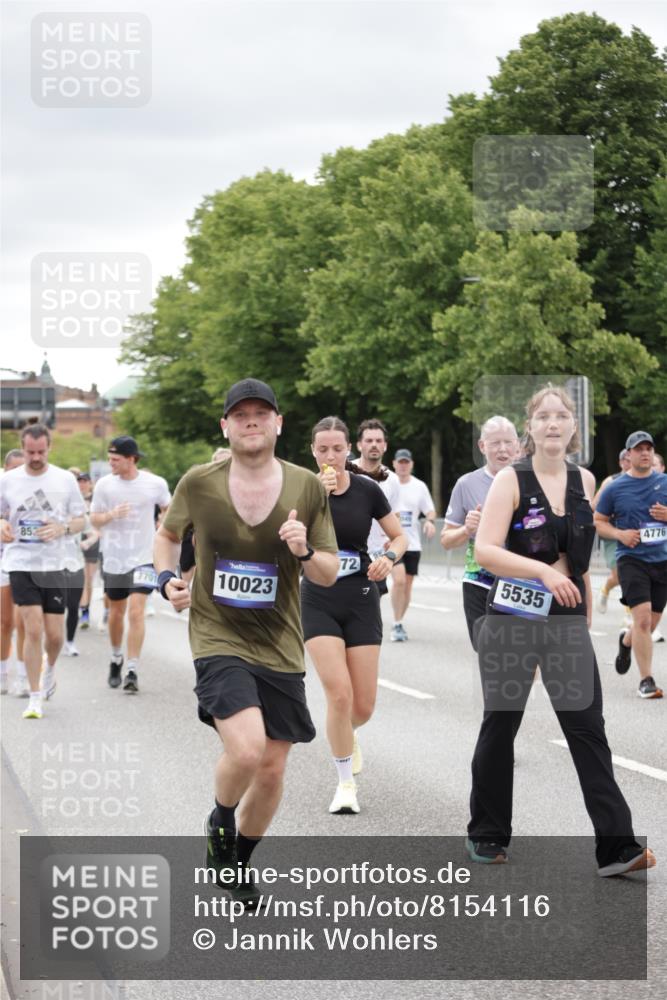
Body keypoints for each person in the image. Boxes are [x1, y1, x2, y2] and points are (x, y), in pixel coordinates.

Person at [153, 378, 339, 907]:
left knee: (274, 766)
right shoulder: (199, 482)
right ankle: (220, 815)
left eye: (262, 412)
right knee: (248, 748)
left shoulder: (307, 487)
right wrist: (164, 577)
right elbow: (168, 536)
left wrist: (304, 550)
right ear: (226, 426)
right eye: (241, 414)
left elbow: (326, 573)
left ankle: (238, 861)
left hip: (280, 641)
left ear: (279, 424)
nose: (251, 420)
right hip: (217, 634)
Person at [466, 386, 655, 877]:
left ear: (575, 428)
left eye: (562, 416)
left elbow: (581, 555)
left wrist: (584, 605)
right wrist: (543, 573)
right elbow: (486, 550)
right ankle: (487, 833)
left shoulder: (585, 480)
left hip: (565, 618)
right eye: (544, 416)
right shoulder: (509, 479)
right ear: (531, 427)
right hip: (512, 614)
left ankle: (617, 849)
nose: (553, 423)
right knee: (502, 721)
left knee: (587, 728)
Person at [303, 417, 406, 814]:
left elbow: (399, 536)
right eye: (323, 449)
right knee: (339, 694)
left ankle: (346, 733)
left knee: (362, 706)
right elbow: (286, 540)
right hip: (318, 597)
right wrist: (317, 499)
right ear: (313, 452)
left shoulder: (368, 489)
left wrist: (388, 558)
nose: (331, 456)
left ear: (349, 450)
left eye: (337, 449)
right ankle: (345, 785)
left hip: (361, 596)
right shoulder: (304, 490)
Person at [0, 424, 85, 719]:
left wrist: (62, 528)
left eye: (41, 452)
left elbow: (80, 520)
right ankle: (34, 697)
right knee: (32, 627)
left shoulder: (64, 479)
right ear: (21, 448)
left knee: (54, 635)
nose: (35, 457)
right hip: (21, 561)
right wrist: (2, 525)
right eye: (29, 452)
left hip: (54, 563)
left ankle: (50, 667)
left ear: (49, 448)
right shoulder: (9, 480)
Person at [90, 436, 171, 693]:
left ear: (131, 459)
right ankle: (116, 657)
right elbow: (94, 520)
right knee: (116, 612)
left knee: (136, 610)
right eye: (110, 458)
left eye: (115, 459)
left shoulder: (155, 483)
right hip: (115, 557)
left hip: (144, 557)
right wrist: (111, 515)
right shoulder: (104, 485)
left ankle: (133, 669)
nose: (111, 463)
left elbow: (168, 508)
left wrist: (163, 529)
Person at [594, 431, 667, 699]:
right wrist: (620, 535)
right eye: (639, 449)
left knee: (650, 623)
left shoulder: (665, 482)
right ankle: (646, 680)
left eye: (649, 448)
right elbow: (598, 520)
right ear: (629, 455)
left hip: (662, 559)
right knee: (644, 619)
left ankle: (626, 641)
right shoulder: (615, 487)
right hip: (631, 558)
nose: (645, 453)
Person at [441, 416, 519, 648]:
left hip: (522, 580)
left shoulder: (532, 481)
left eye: (508, 442)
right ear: (482, 446)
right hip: (480, 580)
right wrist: (467, 529)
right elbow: (446, 540)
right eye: (495, 443)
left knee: (525, 651)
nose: (502, 449)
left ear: (517, 445)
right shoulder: (466, 484)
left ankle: (526, 686)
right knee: (488, 650)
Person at [388, 448, 437, 641]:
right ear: (393, 464)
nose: (403, 465)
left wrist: (430, 522)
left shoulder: (419, 486)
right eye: (400, 462)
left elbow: (430, 510)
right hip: (392, 541)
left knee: (407, 586)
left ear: (411, 464)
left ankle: (398, 621)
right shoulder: (387, 483)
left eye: (406, 462)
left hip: (413, 544)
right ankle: (396, 622)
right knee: (398, 580)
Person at [354, 419, 402, 604]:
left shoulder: (392, 480)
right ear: (359, 445)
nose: (374, 444)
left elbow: (395, 516)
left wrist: (393, 541)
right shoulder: (347, 473)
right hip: (348, 553)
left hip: (376, 556)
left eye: (378, 440)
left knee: (370, 605)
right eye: (369, 440)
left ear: (385, 446)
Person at [1, 449, 28, 695]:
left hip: (23, 562)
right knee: (5, 622)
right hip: (1, 560)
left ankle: (22, 676)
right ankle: (2, 673)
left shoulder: (31, 492)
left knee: (23, 622)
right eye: (15, 468)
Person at [592, 449, 630, 613]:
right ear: (621, 462)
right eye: (627, 460)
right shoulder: (611, 481)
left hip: (635, 534)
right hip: (612, 534)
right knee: (619, 575)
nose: (630, 462)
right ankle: (606, 589)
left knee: (633, 575)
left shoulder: (644, 481)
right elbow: (594, 506)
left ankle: (632, 618)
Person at [73, 472, 100, 630]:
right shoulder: (74, 500)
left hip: (93, 540)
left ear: (90, 483)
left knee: (88, 578)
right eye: (80, 481)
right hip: (76, 540)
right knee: (80, 578)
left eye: (85, 481)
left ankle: (85, 610)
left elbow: (99, 519)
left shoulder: (96, 500)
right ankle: (80, 607)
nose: (82, 484)